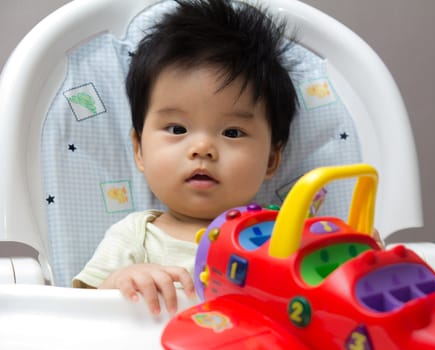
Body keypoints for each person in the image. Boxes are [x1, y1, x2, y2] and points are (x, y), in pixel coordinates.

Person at [72, 0, 298, 315]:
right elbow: (81, 313)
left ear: (272, 158)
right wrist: (120, 282)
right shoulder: (135, 237)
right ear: (139, 150)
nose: (202, 148)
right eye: (177, 128)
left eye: (232, 133)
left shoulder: (286, 234)